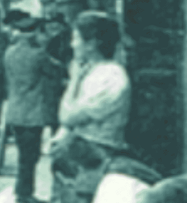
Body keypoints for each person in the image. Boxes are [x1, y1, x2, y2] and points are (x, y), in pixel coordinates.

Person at [49, 13, 130, 203]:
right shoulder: (92, 72)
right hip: (79, 153)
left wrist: (74, 80)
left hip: (97, 154)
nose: (73, 44)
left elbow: (67, 116)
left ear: (92, 43)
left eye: (76, 38)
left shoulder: (112, 77)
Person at [3, 16, 63, 203]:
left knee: (24, 155)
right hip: (32, 114)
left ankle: (22, 192)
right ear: (35, 33)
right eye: (41, 32)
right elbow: (57, 71)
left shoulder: (9, 52)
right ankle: (24, 194)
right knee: (31, 156)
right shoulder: (38, 55)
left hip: (15, 111)